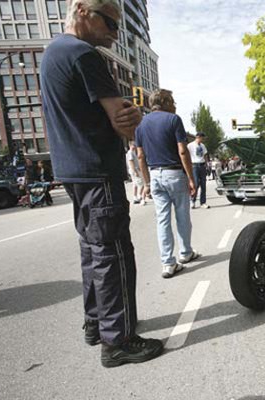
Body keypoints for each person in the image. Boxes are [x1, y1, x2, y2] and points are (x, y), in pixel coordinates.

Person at [40, 0, 163, 368]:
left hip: (73, 170)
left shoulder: (53, 54)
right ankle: (119, 339)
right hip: (97, 169)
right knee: (114, 253)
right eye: (109, 23)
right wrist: (135, 113)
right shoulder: (83, 55)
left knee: (92, 250)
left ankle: (96, 323)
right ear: (82, 11)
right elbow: (123, 122)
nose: (114, 33)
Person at [135, 89, 201, 278]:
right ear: (164, 102)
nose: (174, 105)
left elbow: (140, 155)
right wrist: (190, 177)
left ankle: (168, 263)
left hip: (155, 176)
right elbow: (182, 151)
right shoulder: (173, 120)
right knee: (182, 216)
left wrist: (146, 183)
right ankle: (186, 253)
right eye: (172, 101)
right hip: (174, 174)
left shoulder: (140, 125)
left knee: (162, 220)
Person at [187, 132, 210, 209]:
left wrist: (207, 165)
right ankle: (192, 201)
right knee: (196, 184)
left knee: (203, 185)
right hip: (194, 165)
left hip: (202, 165)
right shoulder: (190, 145)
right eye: (202, 138)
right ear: (198, 137)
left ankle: (203, 202)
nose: (202, 139)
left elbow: (205, 155)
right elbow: (186, 155)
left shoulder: (203, 146)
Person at [126, 141, 145, 205]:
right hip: (135, 170)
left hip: (135, 170)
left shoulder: (133, 152)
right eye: (133, 145)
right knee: (141, 183)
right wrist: (135, 171)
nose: (135, 146)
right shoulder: (130, 153)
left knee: (135, 184)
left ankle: (135, 197)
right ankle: (139, 196)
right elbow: (131, 162)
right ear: (130, 145)